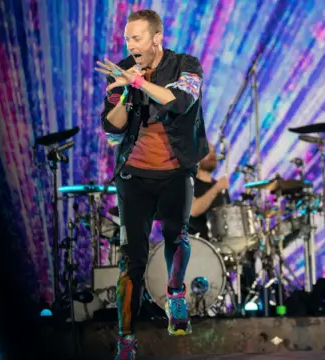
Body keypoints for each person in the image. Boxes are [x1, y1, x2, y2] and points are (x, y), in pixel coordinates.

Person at [95, 9, 209, 360]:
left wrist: (140, 83)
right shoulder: (124, 69)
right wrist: (126, 92)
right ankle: (126, 340)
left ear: (156, 38)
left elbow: (179, 101)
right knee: (133, 258)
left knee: (177, 235)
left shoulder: (186, 65)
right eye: (127, 39)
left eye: (136, 38)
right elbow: (112, 129)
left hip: (176, 169)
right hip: (135, 174)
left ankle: (175, 293)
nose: (130, 46)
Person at [188, 144, 230, 240]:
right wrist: (216, 188)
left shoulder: (220, 186)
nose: (212, 155)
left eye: (214, 152)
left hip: (220, 246)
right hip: (196, 245)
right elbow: (193, 210)